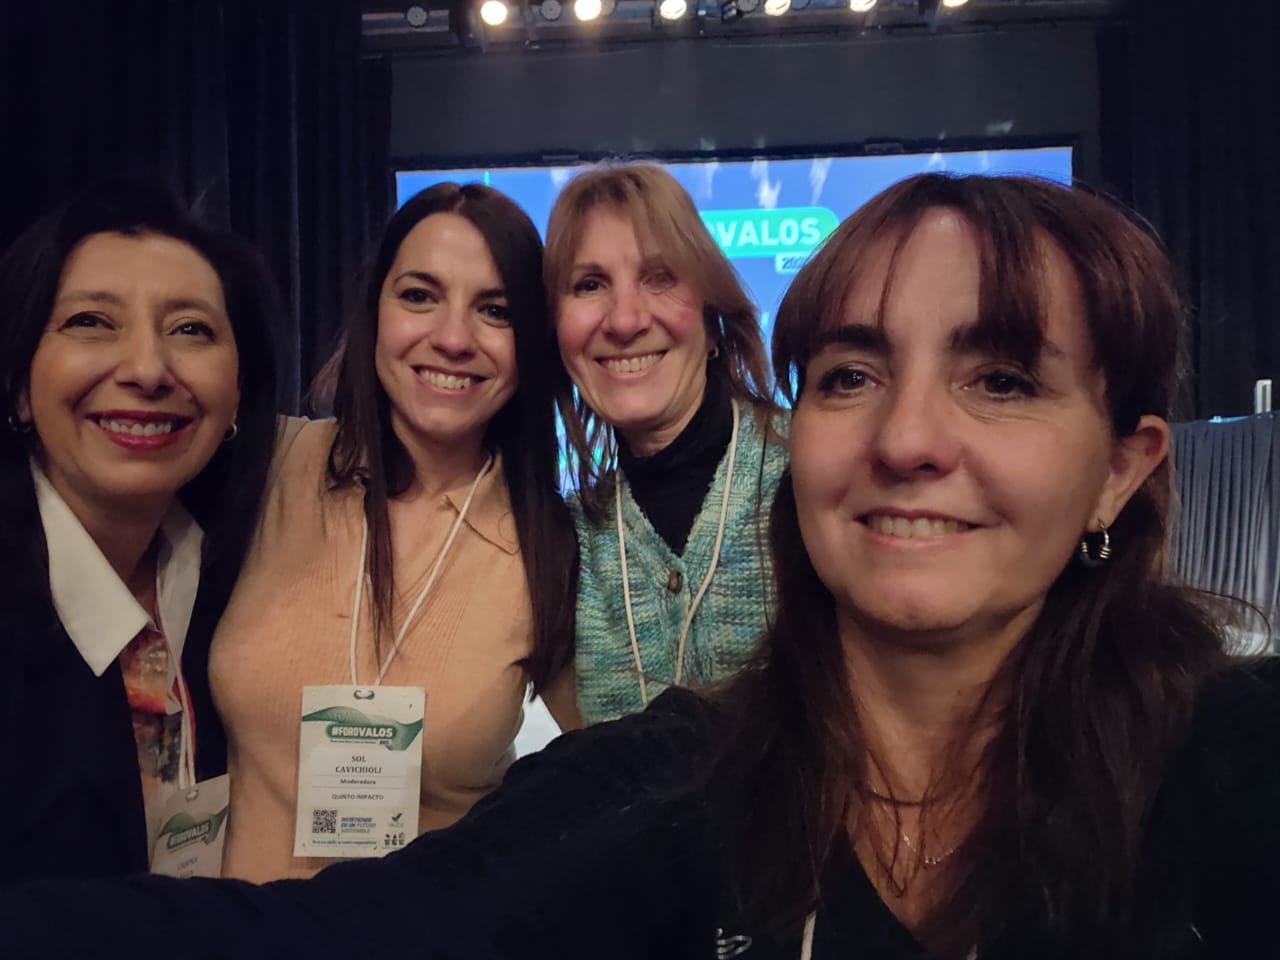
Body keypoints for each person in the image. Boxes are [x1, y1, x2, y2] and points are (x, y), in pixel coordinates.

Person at [4, 173, 1278, 960]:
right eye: (850, 374)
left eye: (998, 380)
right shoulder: (677, 766)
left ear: (1122, 465)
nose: (905, 438)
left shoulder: (1225, 764)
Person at [206, 181, 579, 881]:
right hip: (239, 927)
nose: (453, 338)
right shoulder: (267, 468)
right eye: (419, 296)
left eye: (495, 310)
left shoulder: (549, 543)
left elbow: (621, 774)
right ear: (374, 309)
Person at [0, 180, 279, 884]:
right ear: (18, 386)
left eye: (191, 330)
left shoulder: (242, 579)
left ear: (238, 392)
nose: (149, 370)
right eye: (92, 322)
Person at [545, 163, 788, 725]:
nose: (625, 320)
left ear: (711, 319)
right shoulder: (564, 546)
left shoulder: (816, 477)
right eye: (589, 285)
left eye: (660, 277)